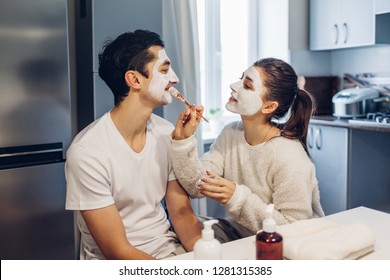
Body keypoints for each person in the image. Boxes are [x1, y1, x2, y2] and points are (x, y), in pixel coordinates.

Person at [65, 30, 202, 260]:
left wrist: (211, 263)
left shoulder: (167, 133)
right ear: (135, 79)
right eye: (165, 70)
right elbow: (117, 251)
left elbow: (182, 216)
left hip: (169, 252)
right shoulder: (87, 152)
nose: (175, 79)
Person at [170, 57, 324, 242]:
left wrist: (237, 198)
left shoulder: (289, 156)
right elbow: (197, 186)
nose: (233, 86)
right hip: (243, 234)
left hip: (289, 244)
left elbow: (294, 229)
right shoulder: (231, 133)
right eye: (240, 79)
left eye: (247, 85)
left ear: (269, 106)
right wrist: (184, 140)